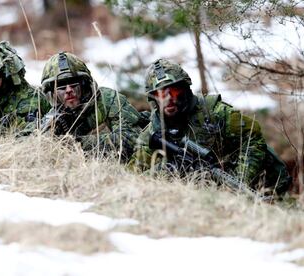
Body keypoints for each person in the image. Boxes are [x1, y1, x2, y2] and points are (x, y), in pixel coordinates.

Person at [129, 58, 291, 197]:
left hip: (263, 186)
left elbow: (252, 139)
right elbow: (133, 179)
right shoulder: (151, 134)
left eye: (174, 91)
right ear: (153, 99)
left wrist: (237, 183)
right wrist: (167, 170)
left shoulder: (215, 112)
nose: (168, 99)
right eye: (161, 94)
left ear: (185, 89)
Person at [24, 51, 144, 161]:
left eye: (73, 83)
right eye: (61, 86)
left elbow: (133, 138)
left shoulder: (108, 100)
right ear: (52, 91)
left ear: (84, 83)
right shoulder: (54, 116)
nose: (69, 90)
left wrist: (77, 143)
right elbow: (29, 148)